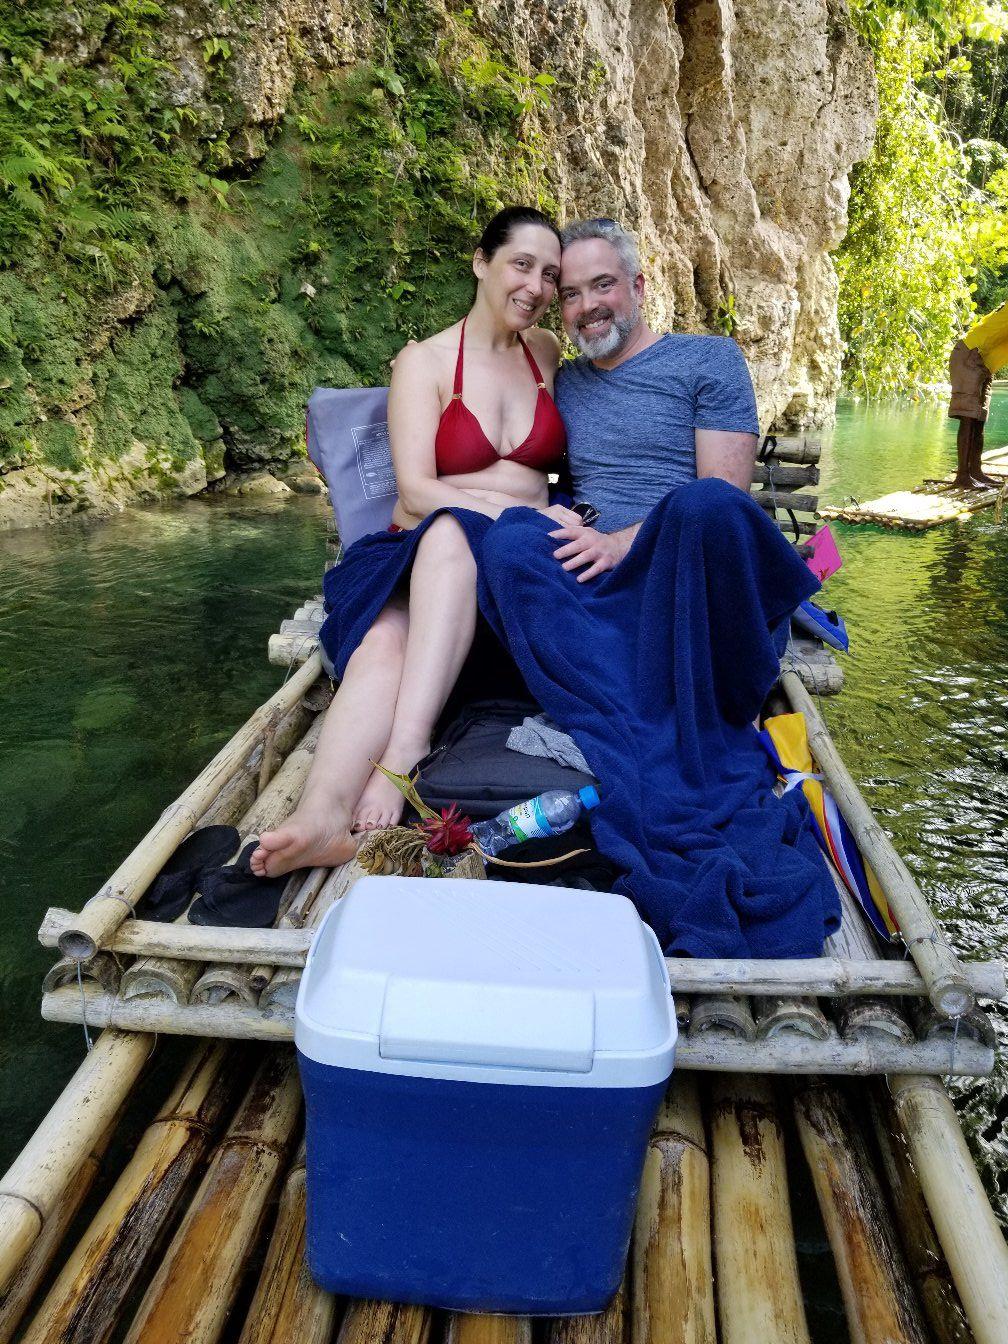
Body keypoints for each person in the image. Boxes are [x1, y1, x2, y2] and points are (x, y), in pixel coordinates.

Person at [251, 206, 577, 878]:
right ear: (481, 261)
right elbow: (417, 492)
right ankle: (324, 812)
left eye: (550, 274)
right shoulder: (423, 363)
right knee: (391, 629)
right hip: (421, 548)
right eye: (521, 265)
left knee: (445, 564)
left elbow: (558, 472)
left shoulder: (546, 352)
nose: (537, 287)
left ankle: (383, 770)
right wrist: (509, 509)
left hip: (514, 562)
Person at [546, 217, 761, 580]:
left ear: (639, 287)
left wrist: (617, 546)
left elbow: (721, 501)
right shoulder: (564, 380)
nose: (587, 305)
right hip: (584, 562)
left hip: (686, 561)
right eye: (571, 294)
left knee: (706, 499)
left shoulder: (710, 360)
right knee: (509, 541)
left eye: (603, 284)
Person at [948, 298, 1008, 489]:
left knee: (979, 418)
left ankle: (975, 471)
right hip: (970, 355)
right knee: (969, 417)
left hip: (984, 364)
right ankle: (962, 477)